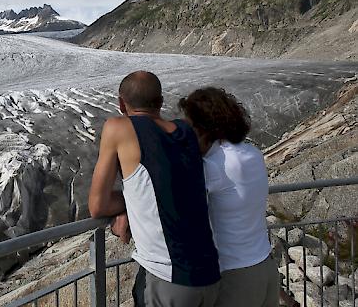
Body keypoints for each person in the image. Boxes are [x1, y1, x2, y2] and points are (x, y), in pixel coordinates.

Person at [89, 71, 220, 306]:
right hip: (210, 274)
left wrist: (126, 205)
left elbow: (98, 206)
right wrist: (134, 200)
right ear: (160, 102)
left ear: (121, 103)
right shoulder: (186, 131)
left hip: (168, 277)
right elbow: (171, 186)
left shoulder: (118, 128)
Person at [178, 88, 279, 307]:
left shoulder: (214, 166)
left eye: (190, 127)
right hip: (265, 266)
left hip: (236, 276)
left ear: (203, 128)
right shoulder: (252, 153)